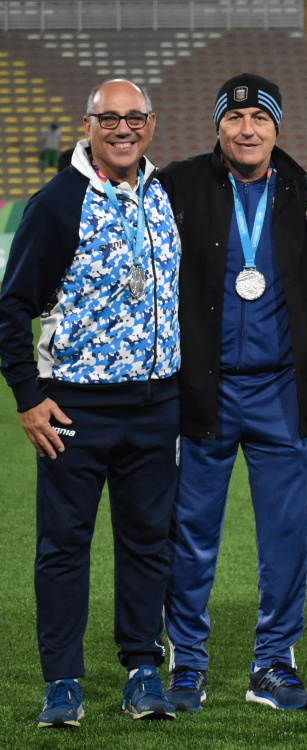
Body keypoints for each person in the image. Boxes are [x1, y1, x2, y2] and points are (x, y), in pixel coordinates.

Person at [0, 79, 180, 726]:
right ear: (88, 124)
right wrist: (28, 397)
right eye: (111, 118)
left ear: (152, 125)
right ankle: (63, 682)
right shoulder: (56, 203)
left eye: (135, 118)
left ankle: (141, 670)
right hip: (74, 409)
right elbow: (12, 305)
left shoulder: (165, 193)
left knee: (147, 543)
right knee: (63, 547)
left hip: (157, 406)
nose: (124, 128)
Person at [158, 73, 307, 711]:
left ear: (277, 128)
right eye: (235, 118)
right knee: (191, 535)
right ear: (218, 126)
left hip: (282, 391)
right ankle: (188, 665)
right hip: (204, 392)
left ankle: (273, 664)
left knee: (285, 537)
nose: (247, 129)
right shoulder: (176, 185)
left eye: (260, 119)